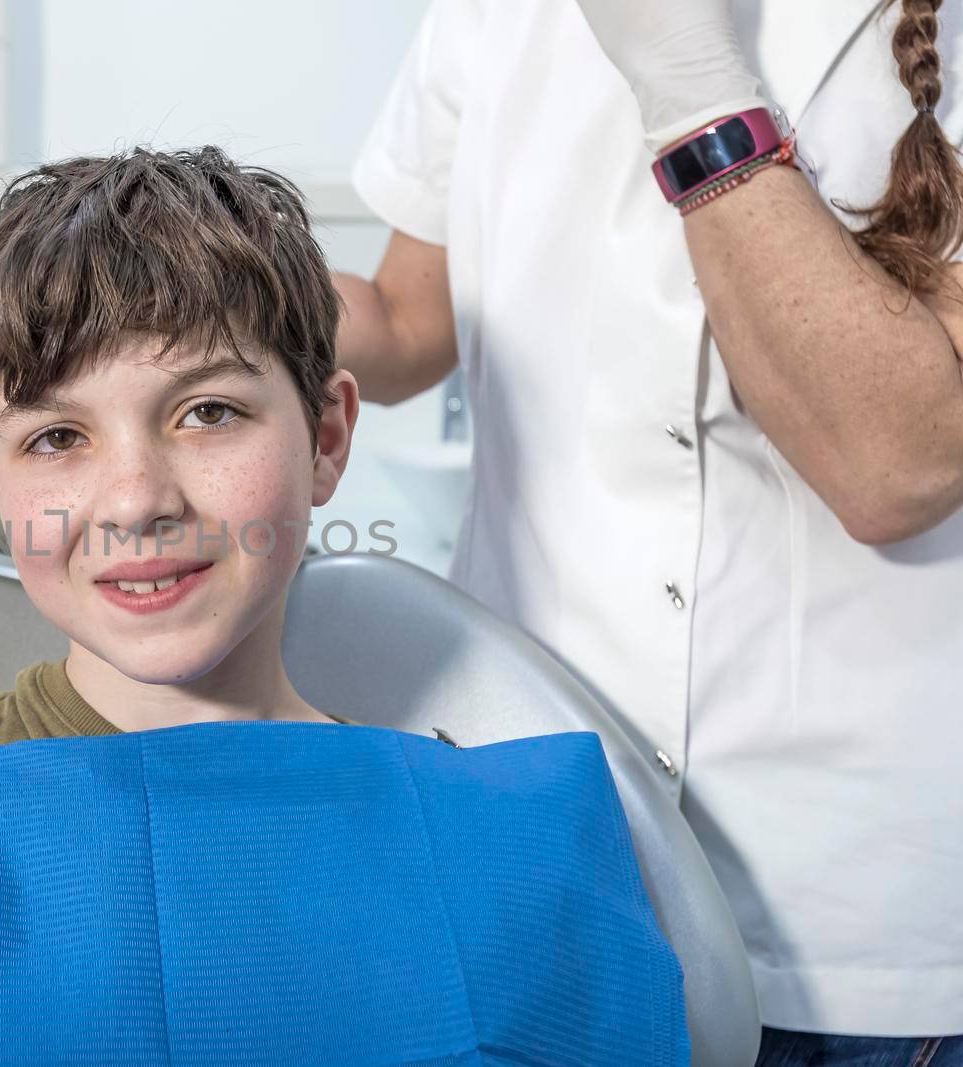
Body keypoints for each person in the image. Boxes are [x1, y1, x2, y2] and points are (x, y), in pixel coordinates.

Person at [0, 146, 689, 1064]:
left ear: (327, 437)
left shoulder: (498, 852)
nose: (138, 498)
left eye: (208, 412)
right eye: (57, 437)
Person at [335, 0, 963, 1061]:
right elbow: (404, 319)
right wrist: (208, 278)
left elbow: (894, 462)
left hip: (856, 931)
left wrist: (685, 68)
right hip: (537, 849)